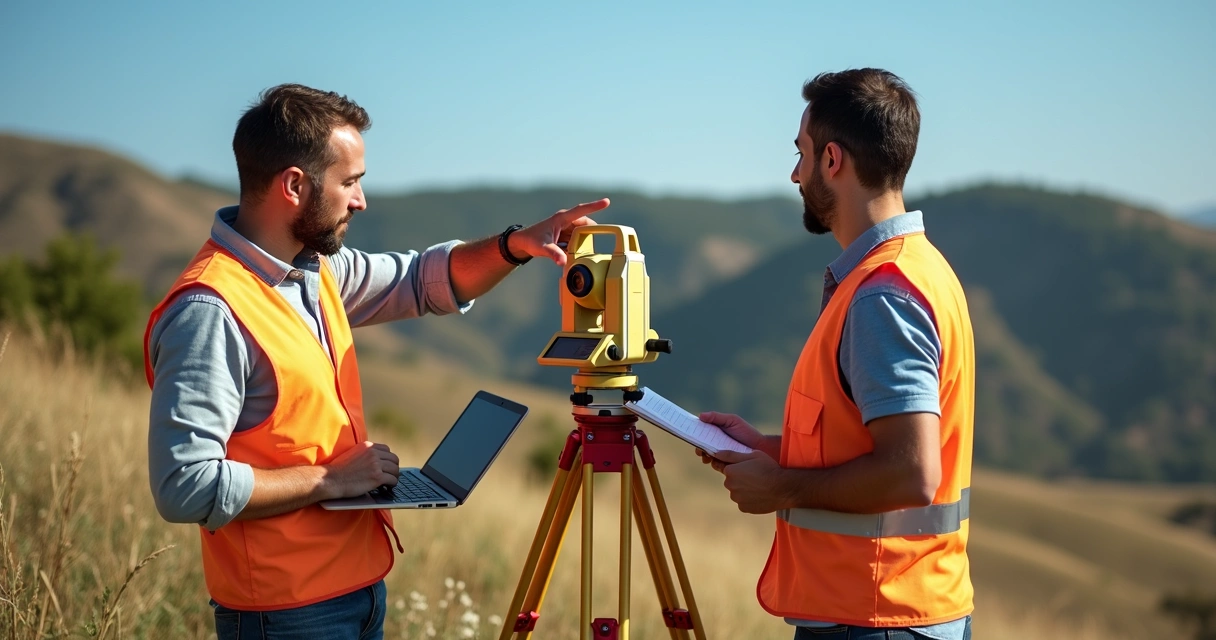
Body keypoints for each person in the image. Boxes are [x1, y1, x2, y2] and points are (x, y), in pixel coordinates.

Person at [143, 83, 609, 639]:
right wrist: (328, 479)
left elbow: (423, 279)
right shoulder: (210, 311)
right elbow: (184, 485)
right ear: (294, 185)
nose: (361, 200)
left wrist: (516, 246)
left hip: (358, 591)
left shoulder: (315, 272)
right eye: (349, 182)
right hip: (284, 612)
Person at [697, 69, 975, 640]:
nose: (794, 174)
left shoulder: (883, 294)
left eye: (800, 153)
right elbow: (861, 445)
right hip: (891, 609)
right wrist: (768, 450)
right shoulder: (919, 268)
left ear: (831, 160)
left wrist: (783, 488)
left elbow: (912, 472)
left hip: (876, 616)